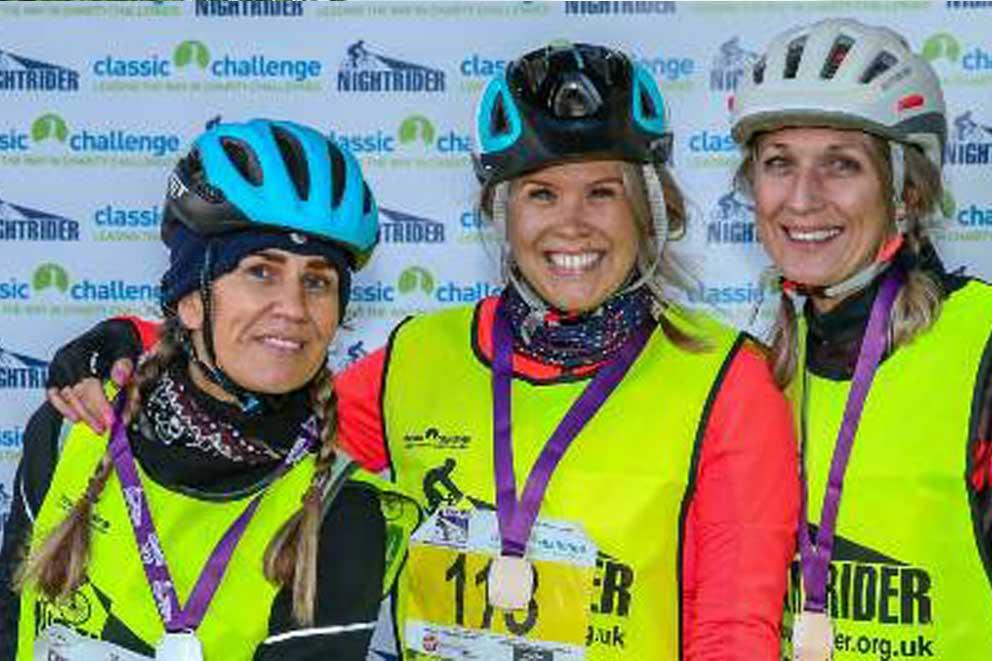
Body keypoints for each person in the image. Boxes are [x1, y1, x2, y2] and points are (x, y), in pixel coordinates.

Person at [26, 43, 799, 659]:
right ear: (501, 212)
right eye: (541, 193)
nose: (573, 224)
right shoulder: (422, 354)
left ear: (649, 213)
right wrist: (134, 340)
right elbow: (267, 409)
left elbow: (731, 632)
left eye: (602, 192)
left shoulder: (725, 378)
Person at [0, 118, 419, 660]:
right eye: (260, 272)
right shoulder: (71, 429)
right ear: (191, 299)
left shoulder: (342, 512)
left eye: (317, 281)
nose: (293, 308)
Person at [730, 18, 992, 660]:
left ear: (905, 189)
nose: (801, 199)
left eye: (841, 165)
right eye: (778, 164)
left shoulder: (983, 344)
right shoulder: (752, 372)